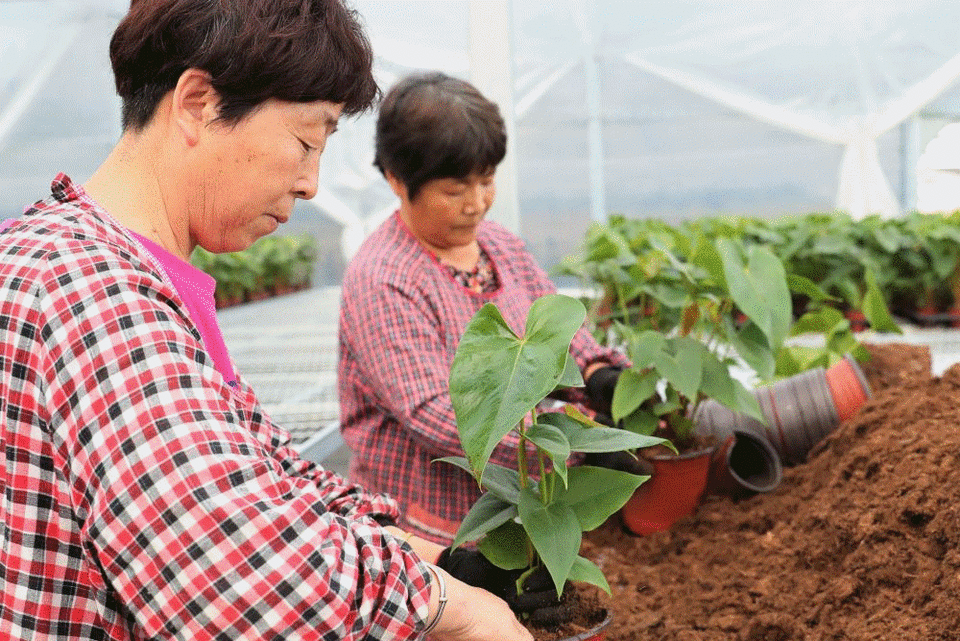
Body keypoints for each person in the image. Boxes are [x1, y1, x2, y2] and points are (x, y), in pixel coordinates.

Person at [0, 3, 533, 641]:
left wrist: (442, 562)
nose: (311, 184)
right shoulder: (86, 291)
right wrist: (460, 608)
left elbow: (272, 477)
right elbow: (235, 589)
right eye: (307, 142)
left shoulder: (121, 271)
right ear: (197, 102)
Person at [338, 72, 631, 547]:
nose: (476, 204)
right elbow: (432, 412)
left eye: (487, 181)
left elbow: (551, 327)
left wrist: (597, 372)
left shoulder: (501, 247)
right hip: (429, 527)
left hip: (520, 501)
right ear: (396, 179)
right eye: (454, 191)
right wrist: (569, 446)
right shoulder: (384, 277)